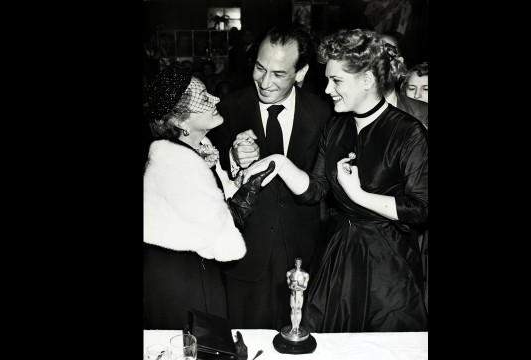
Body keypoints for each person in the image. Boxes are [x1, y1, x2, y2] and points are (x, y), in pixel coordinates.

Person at [243, 28, 428, 332]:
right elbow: (315, 190)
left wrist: (359, 195)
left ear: (367, 80)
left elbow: (422, 209)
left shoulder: (409, 133)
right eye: (328, 79)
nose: (327, 89)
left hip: (387, 265)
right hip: (338, 254)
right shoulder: (335, 128)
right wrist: (279, 162)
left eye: (336, 80)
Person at [207, 23, 332, 330]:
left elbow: (323, 188)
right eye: (260, 68)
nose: (264, 82)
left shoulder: (324, 113)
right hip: (245, 258)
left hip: (303, 260)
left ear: (300, 73)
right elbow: (211, 179)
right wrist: (235, 161)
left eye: (278, 74)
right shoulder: (228, 107)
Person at [142, 62, 275, 330]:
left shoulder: (197, 149)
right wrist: (251, 188)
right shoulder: (177, 163)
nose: (215, 98)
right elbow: (222, 231)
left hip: (192, 270)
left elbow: (213, 198)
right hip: (180, 280)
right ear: (181, 121)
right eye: (204, 98)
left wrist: (238, 167)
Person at [380, 34, 428, 129]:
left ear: (399, 62)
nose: (379, 62)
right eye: (411, 88)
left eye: (426, 89)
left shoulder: (424, 112)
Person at [286, 258, 309, 335]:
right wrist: (291, 286)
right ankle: (293, 327)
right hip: (293, 294)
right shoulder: (289, 273)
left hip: (300, 295)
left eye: (299, 263)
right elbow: (289, 285)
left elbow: (305, 287)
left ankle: (297, 327)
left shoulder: (305, 274)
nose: (297, 265)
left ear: (301, 264)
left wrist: (298, 285)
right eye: (296, 263)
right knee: (293, 310)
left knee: (298, 310)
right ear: (295, 263)